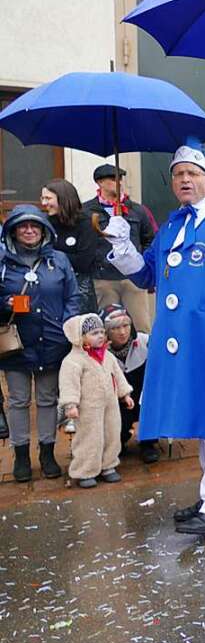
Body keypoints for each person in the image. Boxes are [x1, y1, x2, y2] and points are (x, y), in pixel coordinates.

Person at [103, 139, 205, 539]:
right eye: (178, 174)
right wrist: (121, 245)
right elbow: (147, 276)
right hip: (183, 342)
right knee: (203, 420)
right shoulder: (173, 223)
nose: (185, 180)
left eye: (192, 174)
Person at [0, 205, 80, 482]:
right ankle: (21, 455)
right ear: (13, 231)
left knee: (48, 400)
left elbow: (72, 295)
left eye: (35, 226)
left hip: (52, 341)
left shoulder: (58, 260)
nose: (30, 230)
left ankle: (47, 452)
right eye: (23, 226)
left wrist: (67, 324)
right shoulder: (2, 262)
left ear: (45, 230)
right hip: (16, 344)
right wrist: (5, 304)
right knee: (19, 401)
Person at [58, 313, 134, 488]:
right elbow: (69, 384)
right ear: (80, 337)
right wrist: (71, 404)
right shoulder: (73, 361)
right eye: (94, 333)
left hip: (110, 404)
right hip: (88, 408)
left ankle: (108, 465)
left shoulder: (107, 356)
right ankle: (85, 470)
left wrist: (125, 394)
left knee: (112, 433)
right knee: (89, 437)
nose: (100, 336)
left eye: (101, 332)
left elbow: (118, 375)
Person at [83, 163, 158, 332]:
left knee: (141, 327)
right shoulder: (86, 211)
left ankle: (143, 359)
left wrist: (144, 267)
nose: (119, 182)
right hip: (103, 279)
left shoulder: (137, 210)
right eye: (112, 178)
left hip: (133, 279)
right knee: (109, 328)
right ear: (100, 183)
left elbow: (149, 240)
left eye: (120, 178)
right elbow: (84, 243)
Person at [100, 302, 158, 463]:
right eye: (115, 328)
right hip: (117, 400)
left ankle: (148, 443)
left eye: (125, 326)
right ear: (106, 332)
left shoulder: (145, 342)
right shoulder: (100, 352)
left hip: (143, 396)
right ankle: (119, 439)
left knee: (152, 402)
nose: (122, 332)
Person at [40, 179, 99, 313]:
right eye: (42, 198)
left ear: (63, 198)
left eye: (48, 198)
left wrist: (52, 254)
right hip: (49, 288)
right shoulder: (45, 223)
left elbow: (84, 262)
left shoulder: (86, 223)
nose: (44, 203)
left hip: (79, 291)